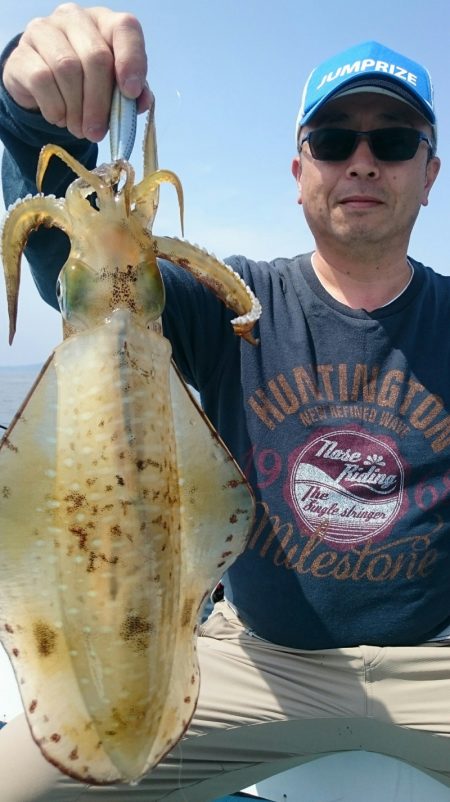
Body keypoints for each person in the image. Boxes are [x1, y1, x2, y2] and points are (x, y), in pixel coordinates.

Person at [0, 5, 450, 801]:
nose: (362, 162)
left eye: (392, 141)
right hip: (256, 661)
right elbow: (90, 272)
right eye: (333, 141)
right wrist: (30, 109)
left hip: (435, 664)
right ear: (299, 171)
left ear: (430, 172)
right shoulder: (233, 303)